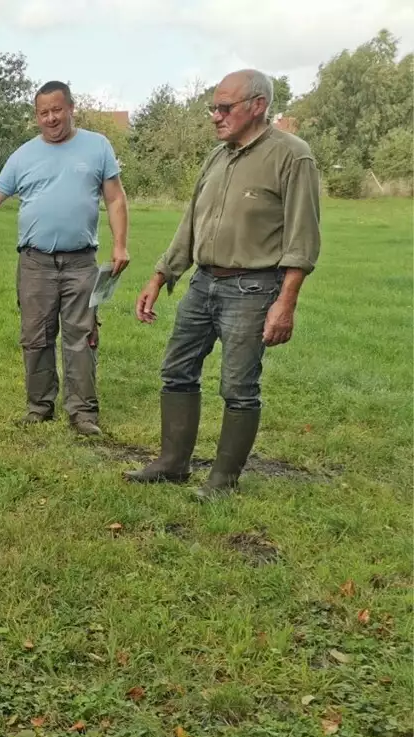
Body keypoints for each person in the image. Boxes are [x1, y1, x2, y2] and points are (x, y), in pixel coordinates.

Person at [126, 69, 321, 499]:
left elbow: (302, 239)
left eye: (224, 107)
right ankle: (172, 463)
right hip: (203, 283)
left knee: (238, 386)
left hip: (253, 289)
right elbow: (190, 225)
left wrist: (285, 303)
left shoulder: (292, 156)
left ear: (258, 105)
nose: (215, 116)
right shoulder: (216, 158)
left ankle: (222, 480)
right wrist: (161, 275)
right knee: (176, 372)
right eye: (213, 107)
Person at [0, 81, 128, 435]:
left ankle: (83, 413)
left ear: (71, 108)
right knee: (35, 336)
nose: (51, 119)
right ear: (36, 116)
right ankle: (39, 406)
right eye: (43, 113)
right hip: (35, 262)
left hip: (81, 261)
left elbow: (115, 199)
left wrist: (120, 245)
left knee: (81, 336)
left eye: (57, 110)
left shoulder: (97, 147)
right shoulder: (23, 156)